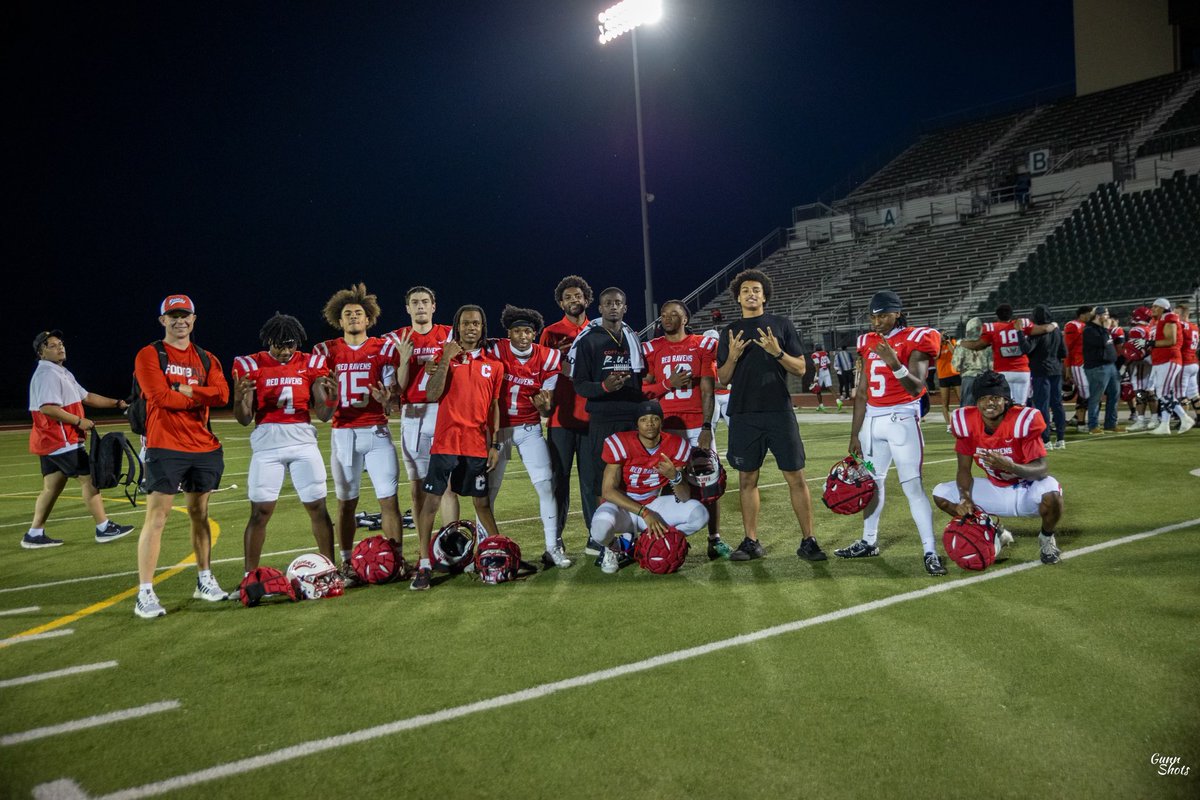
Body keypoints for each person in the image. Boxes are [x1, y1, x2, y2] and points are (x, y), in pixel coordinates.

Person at [716, 269, 826, 562]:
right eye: (745, 291)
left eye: (756, 290)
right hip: (743, 413)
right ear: (738, 297)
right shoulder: (729, 331)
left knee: (795, 476)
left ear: (764, 296)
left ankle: (809, 541)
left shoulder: (782, 325)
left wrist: (777, 352)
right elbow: (722, 379)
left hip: (779, 410)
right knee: (747, 479)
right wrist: (733, 357)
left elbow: (801, 369)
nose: (751, 294)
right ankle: (751, 541)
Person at [835, 290, 947, 576]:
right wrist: (855, 434)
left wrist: (895, 363)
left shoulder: (917, 338)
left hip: (901, 421)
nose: (877, 321)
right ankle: (868, 541)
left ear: (897, 312)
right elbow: (861, 392)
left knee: (912, 487)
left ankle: (930, 550)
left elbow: (917, 388)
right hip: (872, 423)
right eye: (873, 315)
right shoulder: (866, 342)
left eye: (883, 314)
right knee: (872, 484)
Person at [133, 295, 231, 619]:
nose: (179, 321)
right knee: (157, 517)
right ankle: (145, 592)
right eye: (173, 316)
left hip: (203, 446)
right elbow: (158, 396)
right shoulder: (149, 354)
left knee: (199, 514)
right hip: (165, 445)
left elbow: (223, 394)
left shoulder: (206, 357)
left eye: (184, 315)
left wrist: (187, 390)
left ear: (194, 318)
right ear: (162, 320)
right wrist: (196, 395)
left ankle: (204, 578)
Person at [312, 284, 410, 584]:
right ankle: (345, 563)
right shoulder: (325, 351)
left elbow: (393, 396)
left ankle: (395, 560)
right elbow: (322, 409)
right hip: (343, 432)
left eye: (358, 313)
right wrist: (327, 396)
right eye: (347, 314)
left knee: (388, 499)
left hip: (376, 431)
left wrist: (387, 400)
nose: (353, 317)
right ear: (338, 321)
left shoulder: (382, 348)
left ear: (368, 319)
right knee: (346, 502)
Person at [231, 313, 335, 572]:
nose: (287, 350)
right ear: (269, 341)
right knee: (260, 512)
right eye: (280, 345)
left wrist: (333, 399)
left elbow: (323, 415)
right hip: (267, 443)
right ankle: (250, 575)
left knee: (317, 507)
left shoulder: (311, 363)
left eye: (291, 344)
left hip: (302, 440)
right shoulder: (251, 364)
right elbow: (244, 419)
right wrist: (237, 399)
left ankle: (330, 568)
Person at [413, 305, 504, 590]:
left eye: (476, 323)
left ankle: (497, 551)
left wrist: (495, 444)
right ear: (457, 326)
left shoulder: (495, 366)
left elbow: (494, 406)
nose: (471, 328)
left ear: (482, 327)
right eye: (466, 323)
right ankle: (424, 563)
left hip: (477, 444)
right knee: (432, 502)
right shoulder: (444, 358)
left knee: (482, 503)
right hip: (446, 442)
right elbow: (431, 394)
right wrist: (445, 361)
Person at [933, 371, 1064, 566]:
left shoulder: (1022, 421)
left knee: (1051, 491)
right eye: (983, 398)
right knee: (941, 493)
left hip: (1026, 491)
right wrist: (965, 498)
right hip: (995, 490)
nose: (989, 403)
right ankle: (992, 530)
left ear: (1006, 400)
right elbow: (963, 469)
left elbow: (1042, 469)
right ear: (976, 402)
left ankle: (1046, 538)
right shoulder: (967, 423)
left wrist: (1011, 466)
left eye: (995, 397)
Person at [23, 330, 133, 549]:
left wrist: (117, 403)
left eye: (61, 343)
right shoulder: (47, 374)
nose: (60, 347)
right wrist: (78, 421)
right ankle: (103, 528)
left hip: (50, 442)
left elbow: (88, 397)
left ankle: (34, 533)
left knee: (51, 488)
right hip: (60, 440)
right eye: (52, 345)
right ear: (41, 352)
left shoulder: (60, 372)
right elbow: (47, 408)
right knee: (90, 479)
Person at [641, 301, 730, 558]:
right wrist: (668, 383)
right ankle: (664, 535)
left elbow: (706, 388)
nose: (667, 318)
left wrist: (706, 425)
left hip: (694, 425)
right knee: (663, 481)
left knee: (709, 482)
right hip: (665, 426)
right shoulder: (652, 348)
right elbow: (644, 390)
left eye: (674, 314)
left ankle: (714, 539)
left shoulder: (701, 344)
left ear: (685, 319)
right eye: (663, 314)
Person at [486, 305, 570, 568]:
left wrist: (545, 407)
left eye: (528, 331)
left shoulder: (547, 358)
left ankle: (552, 546)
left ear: (535, 334)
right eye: (517, 331)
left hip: (529, 428)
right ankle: (486, 547)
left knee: (546, 486)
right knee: (489, 491)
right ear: (508, 333)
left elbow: (547, 405)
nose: (523, 336)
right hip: (499, 430)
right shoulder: (496, 349)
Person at [566, 287, 646, 556]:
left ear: (625, 307)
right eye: (608, 303)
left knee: (633, 478)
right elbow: (579, 385)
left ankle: (633, 537)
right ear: (599, 309)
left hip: (632, 417)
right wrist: (604, 386)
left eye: (618, 303)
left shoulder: (633, 338)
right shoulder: (589, 340)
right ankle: (608, 543)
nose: (613, 307)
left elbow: (642, 378)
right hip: (602, 419)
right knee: (604, 481)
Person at [589, 401, 709, 573]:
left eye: (654, 419)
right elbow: (608, 491)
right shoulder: (620, 443)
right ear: (637, 424)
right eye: (644, 419)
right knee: (599, 531)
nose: (650, 423)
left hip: (653, 502)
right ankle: (614, 547)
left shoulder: (676, 445)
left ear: (662, 422)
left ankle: (651, 540)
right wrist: (645, 513)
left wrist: (674, 477)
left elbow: (684, 497)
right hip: (623, 506)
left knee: (700, 515)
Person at [390, 286, 459, 534]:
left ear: (434, 306)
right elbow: (399, 387)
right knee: (418, 488)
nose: (420, 306)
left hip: (444, 411)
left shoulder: (451, 335)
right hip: (413, 415)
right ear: (407, 308)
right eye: (415, 302)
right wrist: (404, 360)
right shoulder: (397, 339)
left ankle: (451, 545)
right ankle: (424, 551)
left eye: (425, 301)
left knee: (449, 486)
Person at [540, 275, 595, 544]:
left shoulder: (597, 330)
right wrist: (557, 358)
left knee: (590, 481)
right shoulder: (550, 333)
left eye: (578, 296)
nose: (574, 300)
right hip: (560, 418)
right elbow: (538, 372)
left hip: (590, 417)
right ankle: (555, 539)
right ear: (561, 303)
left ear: (586, 299)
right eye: (568, 297)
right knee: (558, 481)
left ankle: (595, 536)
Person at [958, 304, 1058, 406]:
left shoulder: (993, 327)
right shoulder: (1020, 324)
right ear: (1011, 314)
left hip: (1003, 372)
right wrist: (1054, 324)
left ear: (997, 316)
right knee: (1021, 405)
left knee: (1005, 405)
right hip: (1022, 371)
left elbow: (978, 345)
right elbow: (1045, 329)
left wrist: (960, 343)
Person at [1145, 297, 1193, 435]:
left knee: (1162, 393)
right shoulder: (1162, 319)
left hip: (1169, 359)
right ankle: (1164, 425)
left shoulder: (1169, 318)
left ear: (1163, 307)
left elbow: (1171, 340)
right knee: (1165, 393)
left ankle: (1185, 417)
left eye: (1155, 306)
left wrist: (1151, 343)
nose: (1152, 309)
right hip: (1162, 360)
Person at [1026, 305, 1068, 448]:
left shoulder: (1036, 332)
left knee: (1042, 406)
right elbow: (1064, 352)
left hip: (1040, 371)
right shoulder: (1056, 331)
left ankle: (1046, 440)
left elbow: (1028, 349)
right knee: (1057, 404)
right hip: (1055, 369)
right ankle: (1061, 439)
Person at [1081, 306, 1122, 434]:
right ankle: (1093, 425)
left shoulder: (1102, 329)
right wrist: (1105, 329)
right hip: (1097, 367)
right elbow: (1103, 342)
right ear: (1098, 316)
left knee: (1114, 395)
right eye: (1106, 314)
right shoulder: (1089, 330)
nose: (1108, 317)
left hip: (1110, 365)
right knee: (1096, 397)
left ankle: (1110, 423)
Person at [1062, 306, 1093, 432]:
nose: (1091, 316)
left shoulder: (1090, 326)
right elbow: (1067, 349)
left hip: (1089, 363)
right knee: (1085, 393)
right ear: (1082, 315)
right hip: (1078, 363)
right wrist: (1067, 368)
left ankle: (1077, 418)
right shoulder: (1073, 325)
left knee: (1089, 392)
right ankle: (1081, 423)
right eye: (1089, 314)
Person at [1125, 306, 1155, 430]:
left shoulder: (1137, 330)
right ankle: (1155, 418)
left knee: (1140, 392)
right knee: (1151, 392)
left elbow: (1135, 351)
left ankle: (1141, 420)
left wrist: (1125, 365)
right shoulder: (1151, 328)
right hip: (1153, 362)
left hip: (1141, 364)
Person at [952, 317, 992, 407]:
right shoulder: (987, 344)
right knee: (984, 408)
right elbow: (992, 366)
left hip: (968, 378)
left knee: (967, 409)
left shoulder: (962, 345)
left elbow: (956, 366)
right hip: (985, 378)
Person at [1174, 303, 1199, 416]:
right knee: (1194, 393)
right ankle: (1199, 417)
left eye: (1177, 313)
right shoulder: (1195, 326)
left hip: (1184, 362)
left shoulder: (1180, 325)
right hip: (1194, 362)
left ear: (1183, 315)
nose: (1174, 315)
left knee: (1180, 394)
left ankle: (1184, 420)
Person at [935, 334, 961, 431]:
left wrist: (948, 342)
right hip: (943, 376)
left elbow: (954, 353)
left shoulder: (952, 342)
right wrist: (938, 344)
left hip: (954, 374)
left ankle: (963, 420)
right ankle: (949, 425)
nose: (942, 339)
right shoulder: (937, 346)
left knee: (962, 399)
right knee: (945, 402)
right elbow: (936, 357)